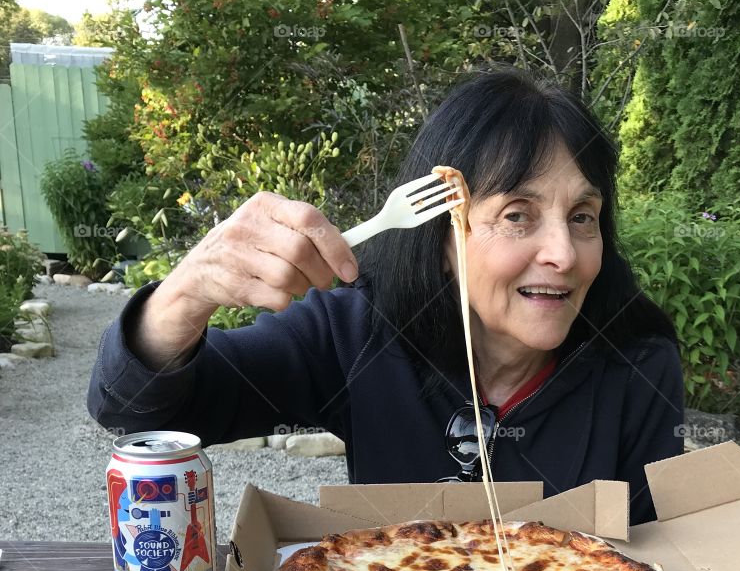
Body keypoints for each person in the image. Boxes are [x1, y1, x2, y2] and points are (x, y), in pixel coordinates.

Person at [88, 67, 685, 525]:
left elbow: (657, 561)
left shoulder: (637, 361)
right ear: (442, 231)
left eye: (583, 216)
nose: (564, 252)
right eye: (518, 215)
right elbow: (136, 410)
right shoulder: (358, 331)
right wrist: (187, 292)